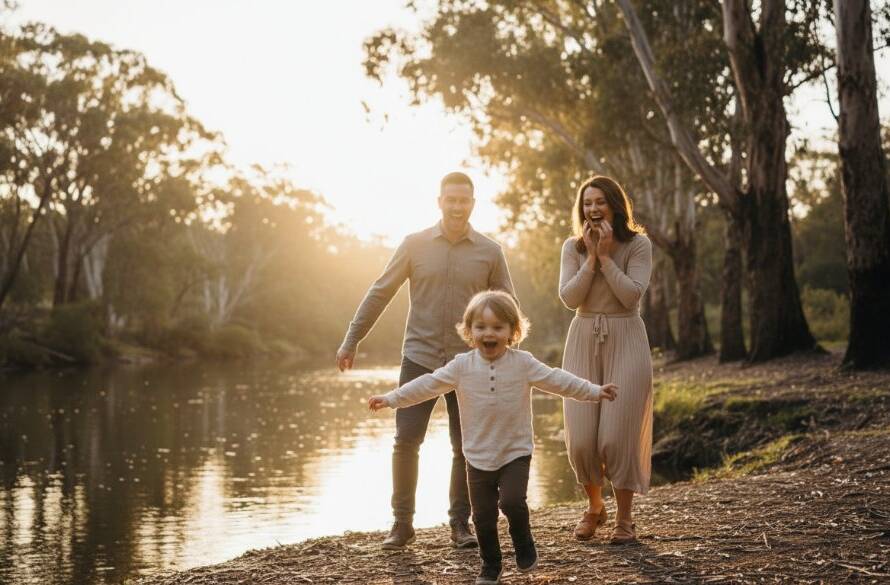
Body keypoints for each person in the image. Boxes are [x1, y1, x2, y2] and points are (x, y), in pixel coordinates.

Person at [369, 291, 617, 585]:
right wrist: (392, 398)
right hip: (476, 456)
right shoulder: (461, 366)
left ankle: (523, 540)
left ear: (513, 331)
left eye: (498, 327)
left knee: (512, 502)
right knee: (483, 518)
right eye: (481, 327)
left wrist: (594, 390)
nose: (489, 333)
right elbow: (428, 385)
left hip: (515, 451)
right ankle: (490, 565)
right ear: (469, 331)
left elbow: (557, 379)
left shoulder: (523, 363)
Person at [337, 172, 516, 550]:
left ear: (472, 203)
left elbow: (508, 307)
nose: (456, 206)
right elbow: (380, 292)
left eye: (463, 200)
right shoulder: (414, 245)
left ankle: (459, 525)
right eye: (450, 199)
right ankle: (402, 525)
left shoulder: (489, 251)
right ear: (439, 201)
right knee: (406, 441)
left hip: (470, 363)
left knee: (464, 446)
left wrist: (509, 357)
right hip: (418, 358)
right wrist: (352, 339)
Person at [558, 175, 653, 544]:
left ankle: (625, 520)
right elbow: (569, 297)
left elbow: (631, 297)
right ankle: (596, 507)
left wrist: (608, 257)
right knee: (582, 439)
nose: (593, 209)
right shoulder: (572, 247)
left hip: (626, 339)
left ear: (615, 204)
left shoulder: (638, 245)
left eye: (599, 202)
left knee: (617, 437)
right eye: (587, 203)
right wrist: (591, 259)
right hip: (583, 339)